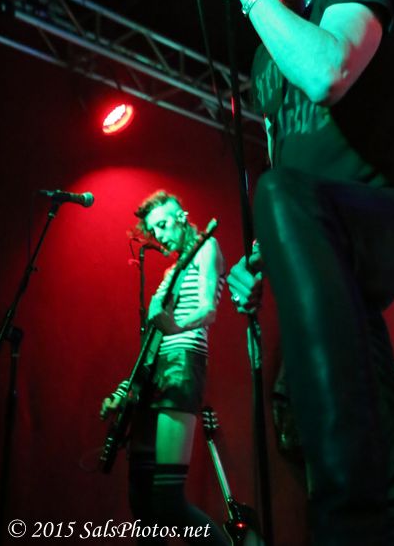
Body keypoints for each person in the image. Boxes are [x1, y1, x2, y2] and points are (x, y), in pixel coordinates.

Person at [211, 0, 394, 546]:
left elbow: (329, 73)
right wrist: (265, 255)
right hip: (327, 233)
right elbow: (287, 155)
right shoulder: (266, 53)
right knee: (362, 373)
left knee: (281, 193)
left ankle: (344, 524)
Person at [101, 191, 228, 545]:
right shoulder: (172, 272)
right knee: (141, 501)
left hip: (182, 364)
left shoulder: (207, 247)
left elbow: (208, 309)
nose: (158, 235)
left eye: (162, 224)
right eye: (153, 229)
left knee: (168, 502)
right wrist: (123, 392)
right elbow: (150, 346)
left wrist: (175, 326)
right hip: (155, 372)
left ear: (182, 217)